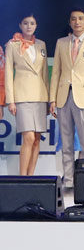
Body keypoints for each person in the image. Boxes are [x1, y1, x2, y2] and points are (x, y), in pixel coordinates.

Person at [49, 7, 84, 190]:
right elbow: (55, 72)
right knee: (66, 142)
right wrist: (52, 100)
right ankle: (69, 181)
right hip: (64, 96)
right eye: (74, 19)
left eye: (81, 19)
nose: (77, 22)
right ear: (70, 22)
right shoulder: (61, 42)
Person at [5, 14, 49, 176]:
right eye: (25, 23)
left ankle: (31, 178)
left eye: (32, 23)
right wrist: (11, 100)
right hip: (22, 96)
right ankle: (22, 177)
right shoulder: (12, 45)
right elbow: (9, 73)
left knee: (37, 138)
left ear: (36, 25)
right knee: (28, 137)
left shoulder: (41, 45)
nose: (29, 26)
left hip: (40, 96)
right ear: (20, 25)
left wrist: (49, 99)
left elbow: (45, 74)